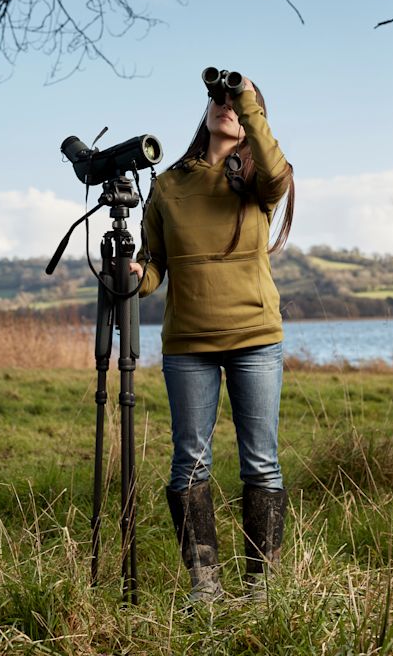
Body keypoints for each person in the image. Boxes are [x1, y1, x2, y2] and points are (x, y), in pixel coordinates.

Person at [129, 71, 294, 604]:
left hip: (255, 337)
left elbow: (276, 172)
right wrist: (134, 277)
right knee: (189, 463)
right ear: (203, 112)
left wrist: (246, 97)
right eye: (217, 99)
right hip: (188, 345)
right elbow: (156, 266)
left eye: (235, 102)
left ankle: (260, 589)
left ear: (250, 117)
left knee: (261, 462)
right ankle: (206, 589)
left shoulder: (259, 179)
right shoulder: (169, 184)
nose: (224, 106)